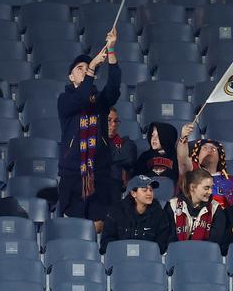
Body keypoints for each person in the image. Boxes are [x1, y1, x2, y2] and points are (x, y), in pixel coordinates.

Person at [58, 27, 120, 234]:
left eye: (87, 68)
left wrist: (111, 51)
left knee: (98, 226)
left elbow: (113, 87)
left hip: (99, 172)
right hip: (73, 173)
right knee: (74, 228)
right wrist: (92, 67)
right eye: (80, 69)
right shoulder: (65, 99)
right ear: (71, 77)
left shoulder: (99, 102)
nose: (84, 71)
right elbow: (81, 98)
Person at [100, 174, 173, 254]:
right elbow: (106, 242)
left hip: (147, 261)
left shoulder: (160, 214)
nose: (149, 193)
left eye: (151, 190)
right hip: (121, 260)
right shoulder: (116, 211)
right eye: (144, 190)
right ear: (133, 193)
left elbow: (162, 245)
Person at [178, 123, 233, 208]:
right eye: (205, 148)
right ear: (197, 155)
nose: (209, 150)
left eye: (214, 148)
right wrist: (183, 137)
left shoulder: (231, 180)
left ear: (219, 157)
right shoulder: (191, 173)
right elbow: (182, 159)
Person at [164, 167, 226, 244]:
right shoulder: (172, 206)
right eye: (206, 188)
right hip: (178, 253)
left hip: (204, 253)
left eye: (211, 187)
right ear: (192, 187)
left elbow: (215, 241)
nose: (210, 192)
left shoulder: (216, 208)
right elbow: (168, 238)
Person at [108, 107, 137, 200]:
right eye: (109, 120)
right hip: (96, 188)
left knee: (115, 168)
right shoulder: (92, 142)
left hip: (115, 188)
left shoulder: (126, 143)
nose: (113, 124)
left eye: (116, 121)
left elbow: (129, 158)